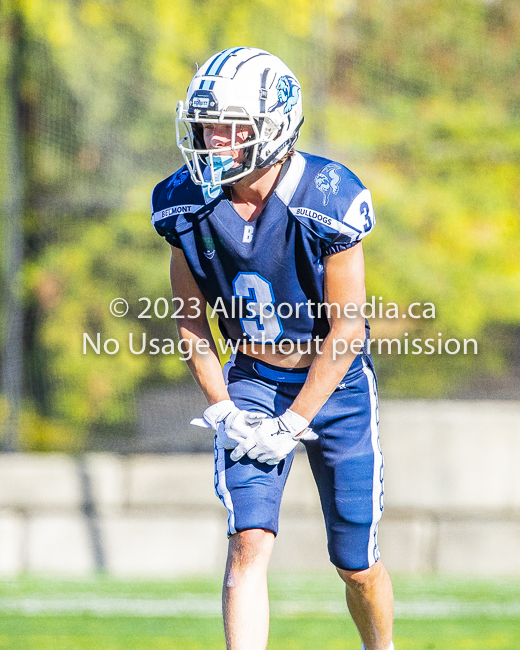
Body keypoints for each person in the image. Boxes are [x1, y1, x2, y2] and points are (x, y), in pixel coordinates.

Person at [151, 46, 394, 650]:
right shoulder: (186, 202)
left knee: (356, 561)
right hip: (253, 376)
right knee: (248, 543)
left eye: (231, 126)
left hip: (333, 388)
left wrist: (295, 422)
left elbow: (347, 332)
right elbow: (191, 320)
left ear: (273, 125)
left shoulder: (327, 194)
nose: (212, 138)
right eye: (206, 123)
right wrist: (226, 408)